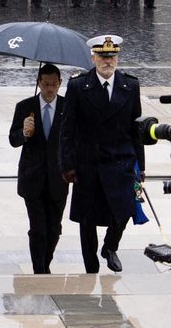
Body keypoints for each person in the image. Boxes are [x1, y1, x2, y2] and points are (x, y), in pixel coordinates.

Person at [60, 35, 144, 273]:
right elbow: (68, 129)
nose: (108, 61)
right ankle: (91, 264)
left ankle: (110, 247)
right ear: (93, 57)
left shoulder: (130, 85)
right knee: (87, 219)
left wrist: (142, 165)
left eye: (112, 56)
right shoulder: (78, 86)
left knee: (125, 209)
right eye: (104, 57)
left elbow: (135, 127)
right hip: (90, 162)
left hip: (121, 160)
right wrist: (67, 164)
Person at [8, 63, 68, 274]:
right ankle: (39, 270)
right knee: (38, 229)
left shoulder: (68, 106)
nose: (49, 89)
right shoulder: (25, 107)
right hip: (32, 177)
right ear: (38, 83)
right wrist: (24, 133)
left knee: (54, 229)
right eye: (45, 84)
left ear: (60, 84)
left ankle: (45, 264)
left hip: (59, 178)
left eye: (53, 84)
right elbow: (13, 140)